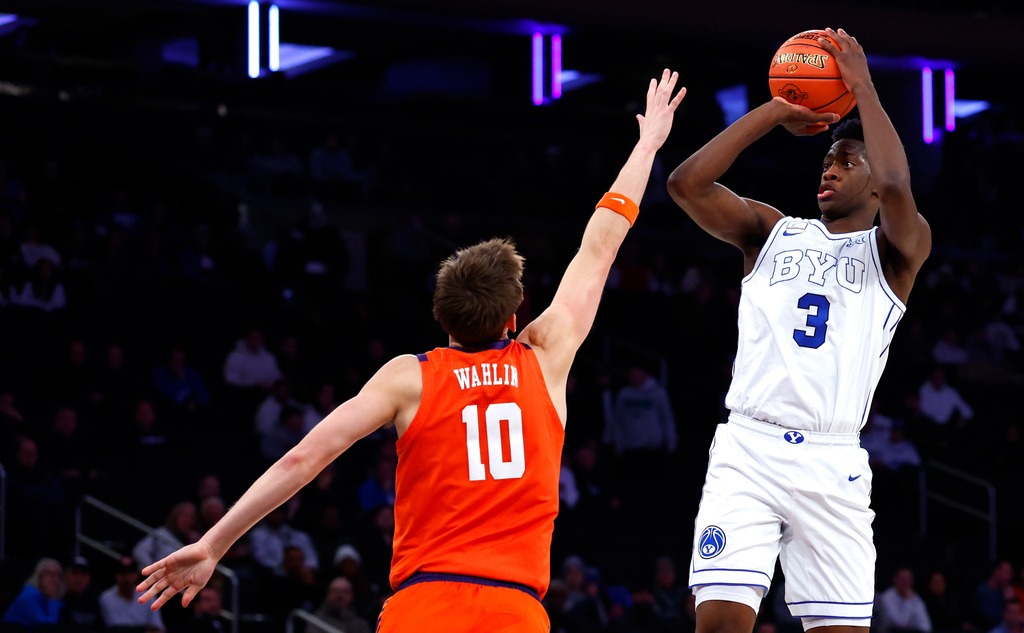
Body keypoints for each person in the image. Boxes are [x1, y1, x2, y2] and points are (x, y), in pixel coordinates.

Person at [136, 69, 687, 632]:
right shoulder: (545, 357)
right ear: (515, 317)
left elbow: (303, 459)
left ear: (440, 317)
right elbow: (601, 244)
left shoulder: (409, 377)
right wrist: (646, 146)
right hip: (514, 609)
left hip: (422, 606)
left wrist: (212, 543)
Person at [666, 29, 931, 633]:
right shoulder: (772, 231)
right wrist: (777, 110)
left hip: (832, 459)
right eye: (827, 160)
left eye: (847, 161)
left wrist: (861, 86)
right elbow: (686, 185)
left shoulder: (897, 250)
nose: (831, 169)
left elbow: (896, 187)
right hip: (748, 449)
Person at [101, 556, 166, 631]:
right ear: (117, 576)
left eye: (130, 574)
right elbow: (113, 627)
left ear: (136, 575)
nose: (127, 578)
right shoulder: (107, 598)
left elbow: (158, 628)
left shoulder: (148, 596)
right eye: (123, 574)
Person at [2, 557, 64, 628]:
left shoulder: (46, 597)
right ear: (39, 576)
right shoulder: (29, 596)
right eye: (50, 574)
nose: (56, 579)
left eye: (58, 575)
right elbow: (46, 628)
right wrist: (53, 598)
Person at [876, 567, 932, 633]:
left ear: (912, 581)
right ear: (895, 579)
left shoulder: (915, 598)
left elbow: (926, 626)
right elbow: (899, 623)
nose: (905, 582)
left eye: (908, 579)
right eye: (902, 579)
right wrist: (907, 601)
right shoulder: (887, 597)